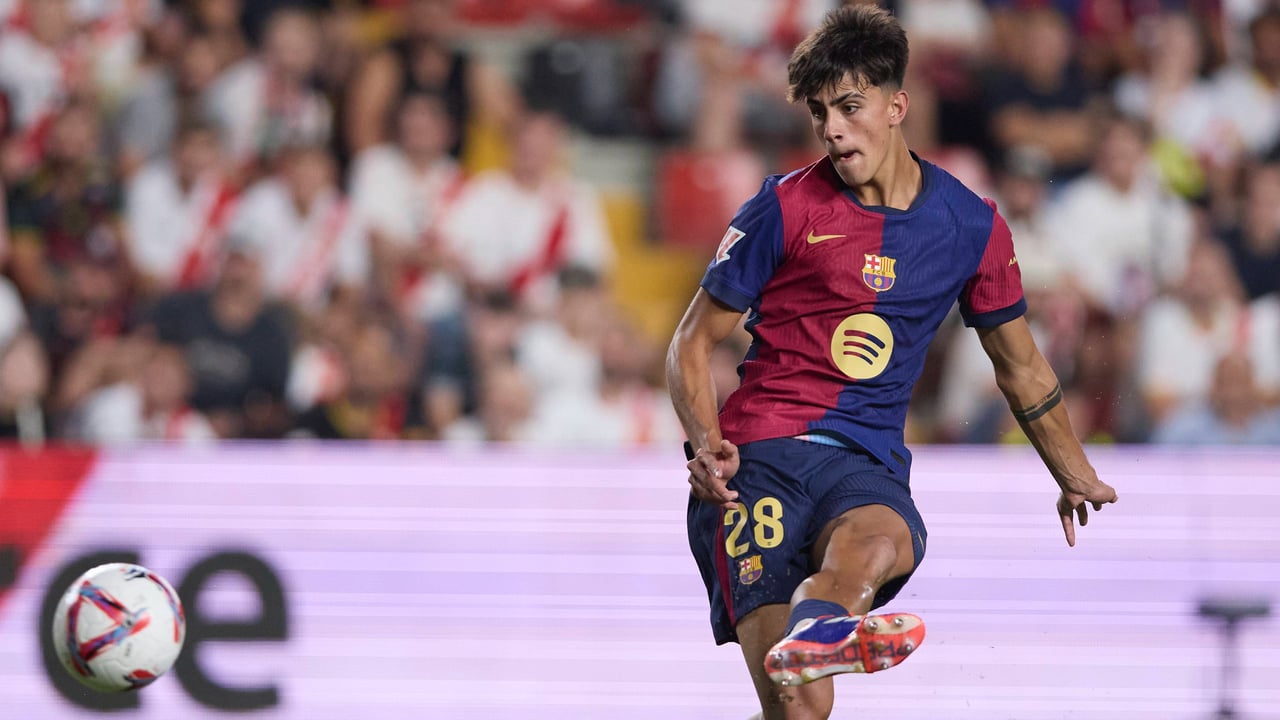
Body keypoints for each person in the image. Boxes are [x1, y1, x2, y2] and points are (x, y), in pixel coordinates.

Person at [665, 8, 1118, 720]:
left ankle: (822, 626)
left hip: (864, 460)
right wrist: (704, 442)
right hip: (757, 462)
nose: (833, 129)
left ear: (897, 106)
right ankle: (820, 633)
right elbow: (691, 342)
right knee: (801, 711)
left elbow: (1020, 365)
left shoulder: (971, 224)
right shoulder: (781, 207)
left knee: (880, 539)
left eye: (850, 107)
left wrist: (1073, 472)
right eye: (820, 113)